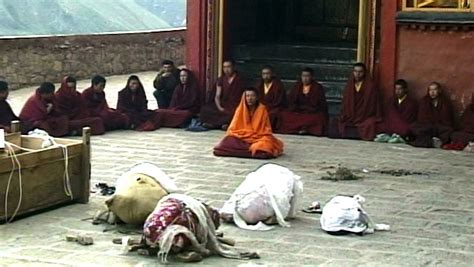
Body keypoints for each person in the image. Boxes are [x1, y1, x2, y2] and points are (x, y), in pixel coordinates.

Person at [138, 193, 259, 263]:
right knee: (188, 234)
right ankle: (178, 251)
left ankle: (156, 245)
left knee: (169, 229)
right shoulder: (201, 215)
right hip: (173, 230)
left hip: (151, 228)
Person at [214, 87, 283, 159]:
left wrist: (255, 136)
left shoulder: (262, 109)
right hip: (241, 138)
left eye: (252, 96)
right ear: (244, 98)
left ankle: (247, 150)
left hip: (258, 137)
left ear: (257, 98)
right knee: (224, 143)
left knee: (266, 145)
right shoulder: (240, 109)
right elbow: (233, 129)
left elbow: (266, 130)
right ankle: (251, 151)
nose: (250, 98)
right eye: (247, 96)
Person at [330, 63, 383, 141]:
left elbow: (372, 105)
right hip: (350, 116)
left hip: (364, 116)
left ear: (364, 73)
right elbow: (345, 102)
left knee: (370, 123)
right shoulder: (349, 85)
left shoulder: (370, 86)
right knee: (335, 122)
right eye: (355, 71)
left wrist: (362, 116)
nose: (357, 74)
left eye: (360, 72)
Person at [275, 68, 328, 136]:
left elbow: (321, 104)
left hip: (311, 111)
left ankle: (306, 129)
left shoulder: (317, 87)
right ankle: (298, 129)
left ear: (312, 77)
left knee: (319, 118)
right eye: (303, 76)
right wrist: (295, 107)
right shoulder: (297, 86)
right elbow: (291, 100)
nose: (305, 78)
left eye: (307, 76)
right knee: (284, 114)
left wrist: (312, 109)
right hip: (299, 111)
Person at [200, 60, 246, 130]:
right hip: (223, 103)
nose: (226, 69)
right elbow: (217, 96)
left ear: (233, 67)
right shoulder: (221, 79)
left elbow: (243, 96)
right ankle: (219, 124)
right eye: (224, 67)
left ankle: (221, 124)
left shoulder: (240, 79)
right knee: (205, 109)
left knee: (235, 112)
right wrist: (219, 107)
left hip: (234, 104)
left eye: (228, 67)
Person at [410, 82, 455, 148]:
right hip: (428, 127)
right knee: (414, 126)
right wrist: (430, 125)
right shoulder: (424, 101)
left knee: (449, 130)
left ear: (439, 90)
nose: (432, 92)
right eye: (430, 90)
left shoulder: (445, 102)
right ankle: (434, 141)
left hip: (440, 127)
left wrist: (437, 125)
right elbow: (422, 118)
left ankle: (431, 141)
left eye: (435, 90)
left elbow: (447, 119)